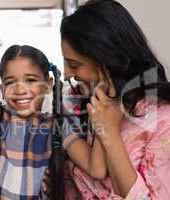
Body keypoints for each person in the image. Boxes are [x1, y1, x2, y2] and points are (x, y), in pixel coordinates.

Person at [60, 0, 170, 199]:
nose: (67, 74)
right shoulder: (83, 101)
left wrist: (109, 131)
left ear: (106, 59)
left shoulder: (163, 120)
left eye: (74, 65)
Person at [0, 45, 107, 199]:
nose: (20, 90)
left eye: (30, 80)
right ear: (2, 87)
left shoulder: (58, 126)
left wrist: (104, 119)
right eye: (10, 82)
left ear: (48, 84)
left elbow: (96, 169)